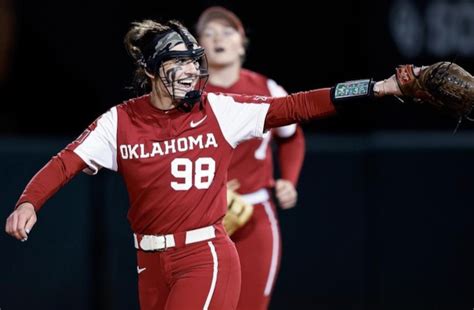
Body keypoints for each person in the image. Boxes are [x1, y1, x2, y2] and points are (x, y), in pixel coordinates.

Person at [5, 18, 402, 310]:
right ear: (150, 71)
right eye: (178, 62)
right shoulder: (120, 120)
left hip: (205, 256)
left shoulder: (220, 109)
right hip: (149, 262)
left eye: (194, 61)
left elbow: (296, 107)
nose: (192, 70)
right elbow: (66, 162)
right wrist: (29, 201)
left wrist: (378, 88)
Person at [195, 6, 305, 310]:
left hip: (253, 211)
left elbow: (292, 135)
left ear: (242, 43)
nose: (218, 38)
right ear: (198, 45)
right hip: (198, 218)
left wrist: (289, 180)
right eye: (209, 32)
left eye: (227, 31)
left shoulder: (266, 89)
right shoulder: (187, 94)